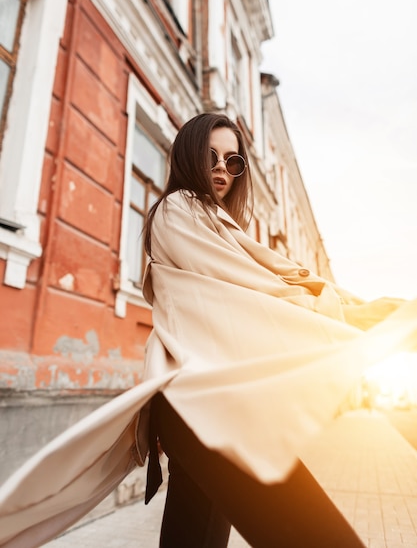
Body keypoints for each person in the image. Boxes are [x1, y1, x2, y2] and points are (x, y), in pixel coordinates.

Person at [0, 113, 416, 548]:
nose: (222, 167)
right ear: (188, 155)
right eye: (211, 155)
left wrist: (359, 309)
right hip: (203, 405)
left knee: (195, 539)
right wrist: (358, 315)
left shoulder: (221, 225)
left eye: (233, 162)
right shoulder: (180, 208)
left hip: (216, 402)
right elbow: (255, 290)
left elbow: (276, 280)